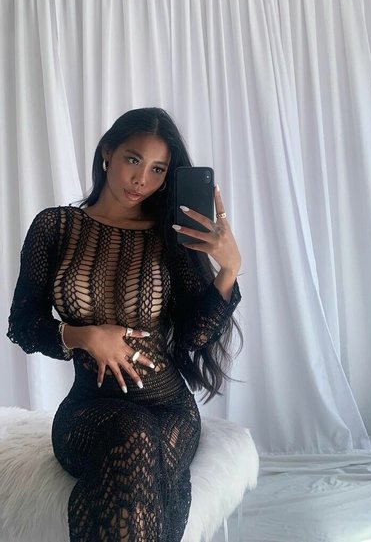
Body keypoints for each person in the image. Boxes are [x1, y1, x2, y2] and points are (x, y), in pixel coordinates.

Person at [6, 107, 242, 542]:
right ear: (107, 153)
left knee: (140, 457)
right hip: (89, 409)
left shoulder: (169, 236)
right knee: (131, 435)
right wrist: (83, 336)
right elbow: (23, 324)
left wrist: (228, 270)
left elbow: (195, 335)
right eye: (133, 159)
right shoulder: (55, 227)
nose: (141, 180)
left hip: (167, 407)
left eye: (157, 169)